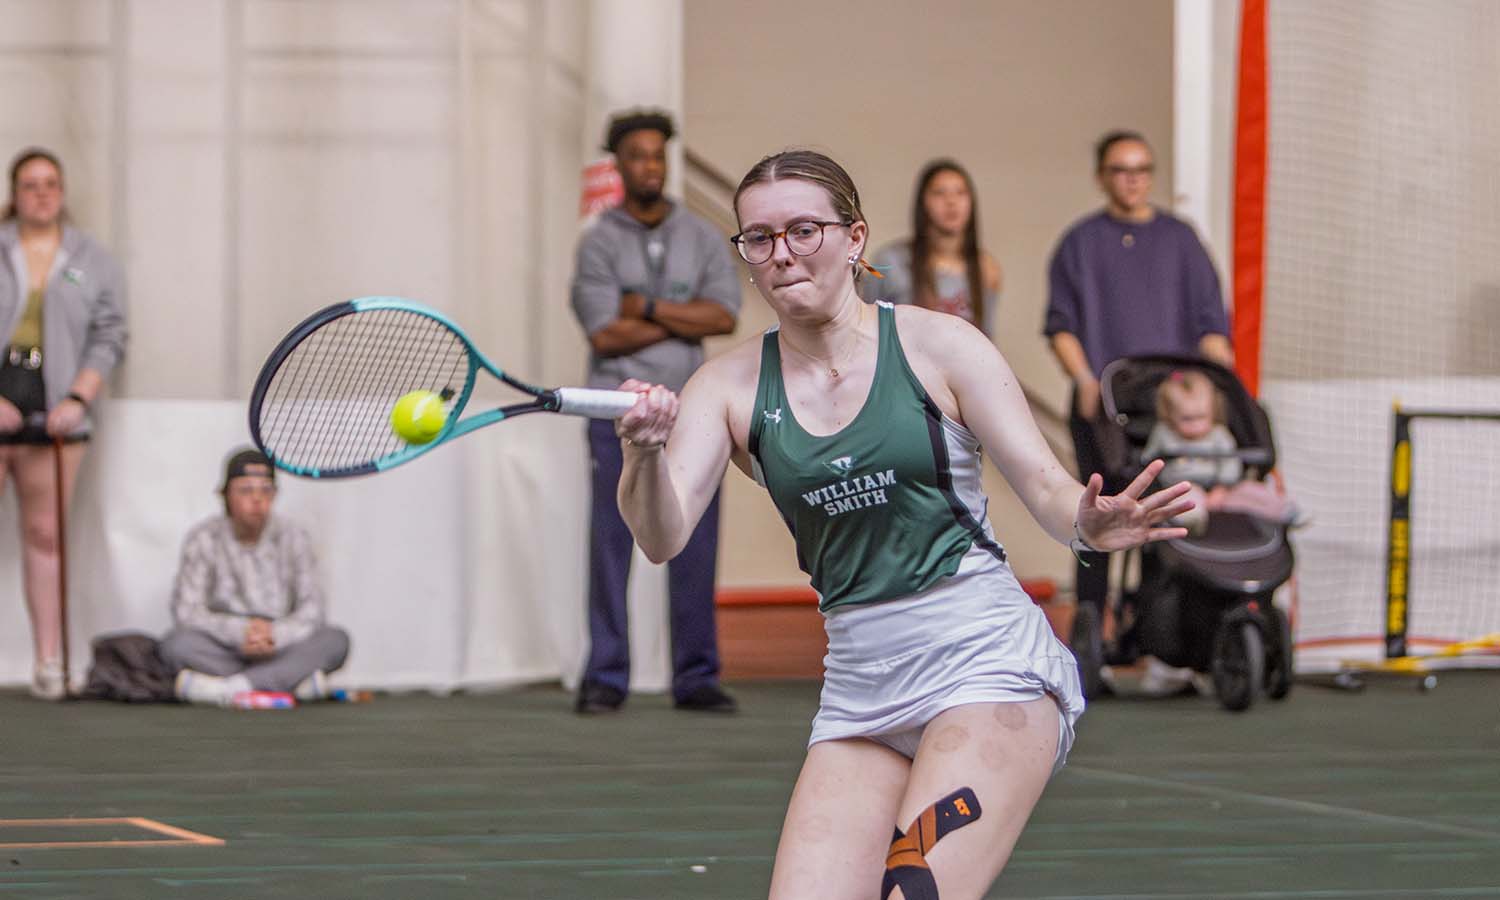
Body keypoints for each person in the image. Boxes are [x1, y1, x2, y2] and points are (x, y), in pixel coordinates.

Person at [611, 150, 1193, 898]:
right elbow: (660, 537)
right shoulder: (723, 387)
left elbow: (1049, 488)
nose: (781, 252)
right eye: (759, 238)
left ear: (855, 239)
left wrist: (1088, 521)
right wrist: (642, 455)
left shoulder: (939, 346)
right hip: (861, 691)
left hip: (985, 667)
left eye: (803, 229)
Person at [569, 108, 742, 714]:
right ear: (618, 166)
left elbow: (724, 315)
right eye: (637, 155)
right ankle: (606, 676)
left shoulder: (700, 235)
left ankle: (695, 677)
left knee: (695, 542)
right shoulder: (598, 243)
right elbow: (604, 336)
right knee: (611, 543)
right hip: (612, 411)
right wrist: (677, 313)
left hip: (691, 410)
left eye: (657, 155)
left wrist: (640, 307)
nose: (649, 165)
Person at [1043, 130, 1232, 649]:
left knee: (1166, 520)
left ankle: (1161, 641)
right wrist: (1082, 378)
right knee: (1099, 519)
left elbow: (1213, 324)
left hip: (1172, 411)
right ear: (1103, 177)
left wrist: (1223, 391)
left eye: (1142, 169)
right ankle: (1090, 638)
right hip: (1104, 410)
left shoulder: (1181, 240)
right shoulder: (1080, 243)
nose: (1133, 180)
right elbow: (1060, 324)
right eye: (1121, 170)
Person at [0, 147, 128, 700]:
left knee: (46, 536)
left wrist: (78, 397)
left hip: (55, 414)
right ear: (14, 193)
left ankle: (50, 661)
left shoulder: (92, 258)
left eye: (51, 183)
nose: (42, 193)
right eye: (30, 184)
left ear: (63, 190)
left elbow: (110, 334)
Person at [160, 448, 350, 706]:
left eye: (266, 490)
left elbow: (313, 609)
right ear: (225, 495)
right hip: (227, 647)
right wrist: (241, 633)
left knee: (336, 640)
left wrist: (275, 634)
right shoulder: (203, 538)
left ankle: (234, 688)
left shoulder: (294, 536)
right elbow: (187, 611)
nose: (257, 499)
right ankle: (289, 683)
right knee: (175, 645)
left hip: (281, 645)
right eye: (246, 490)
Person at [1145, 369, 1300, 534]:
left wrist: (1221, 488)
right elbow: (1148, 460)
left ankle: (1284, 510)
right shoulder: (1163, 433)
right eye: (1187, 419)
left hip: (1222, 489)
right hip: (1181, 488)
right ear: (1170, 415)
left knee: (1249, 491)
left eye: (1201, 417)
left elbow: (1230, 464)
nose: (1196, 425)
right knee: (1186, 500)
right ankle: (1190, 523)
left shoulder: (1218, 434)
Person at [867, 159, 1001, 335]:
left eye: (961, 193)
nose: (951, 201)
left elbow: (986, 339)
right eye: (939, 193)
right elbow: (866, 327)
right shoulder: (890, 261)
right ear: (923, 203)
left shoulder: (986, 268)